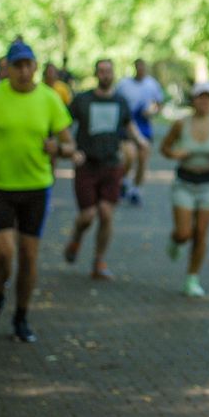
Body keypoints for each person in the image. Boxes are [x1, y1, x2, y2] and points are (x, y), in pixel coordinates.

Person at [0, 41, 76, 342]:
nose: (24, 71)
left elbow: (70, 145)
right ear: (8, 68)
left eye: (29, 65)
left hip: (36, 187)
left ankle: (21, 317)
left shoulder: (49, 99)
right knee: (4, 254)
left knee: (28, 257)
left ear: (36, 67)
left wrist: (59, 147)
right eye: (17, 65)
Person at [63, 59, 149, 281]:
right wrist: (72, 150)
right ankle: (76, 237)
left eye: (108, 71)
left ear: (113, 74)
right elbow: (63, 125)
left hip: (111, 164)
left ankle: (99, 261)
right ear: (95, 74)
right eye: (101, 71)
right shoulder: (82, 100)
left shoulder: (120, 101)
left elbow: (129, 124)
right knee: (88, 215)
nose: (105, 74)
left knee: (106, 213)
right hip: (86, 165)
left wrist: (140, 141)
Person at [161, 81, 209, 297]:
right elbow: (164, 147)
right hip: (184, 183)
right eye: (200, 97)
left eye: (208, 97)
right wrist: (175, 154)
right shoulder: (180, 124)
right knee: (185, 233)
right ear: (193, 100)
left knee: (201, 233)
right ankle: (176, 241)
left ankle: (192, 278)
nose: (204, 101)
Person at [115, 58, 164, 205]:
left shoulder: (152, 84)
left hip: (144, 126)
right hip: (127, 125)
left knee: (143, 158)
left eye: (144, 67)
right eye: (139, 67)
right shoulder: (124, 84)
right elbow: (115, 100)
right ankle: (124, 180)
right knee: (129, 156)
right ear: (135, 67)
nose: (141, 69)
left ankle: (136, 190)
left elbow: (159, 104)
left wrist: (152, 112)